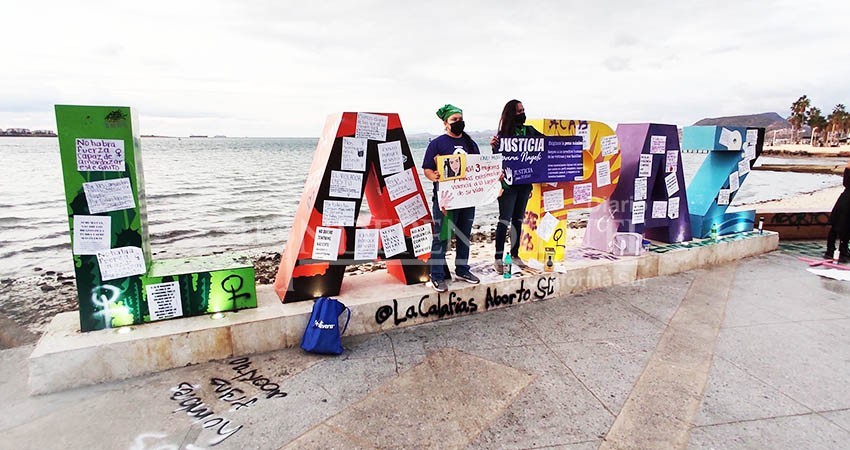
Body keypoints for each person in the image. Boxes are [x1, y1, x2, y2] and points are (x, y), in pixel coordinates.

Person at [422, 104, 481, 292]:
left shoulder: (471, 144)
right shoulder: (437, 143)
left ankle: (463, 269)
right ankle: (437, 275)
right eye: (454, 120)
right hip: (446, 200)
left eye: (460, 119)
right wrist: (434, 176)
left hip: (467, 198)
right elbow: (427, 169)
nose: (458, 122)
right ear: (445, 123)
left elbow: (478, 167)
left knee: (464, 236)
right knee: (442, 237)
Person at [489, 99, 543, 274]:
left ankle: (514, 253)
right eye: (519, 111)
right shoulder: (502, 136)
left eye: (523, 110)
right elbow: (497, 161)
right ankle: (498, 258)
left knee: (518, 220)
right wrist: (493, 148)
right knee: (504, 220)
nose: (522, 114)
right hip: (508, 186)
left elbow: (547, 146)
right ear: (511, 114)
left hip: (525, 184)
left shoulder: (530, 131)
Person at [825, 160, 850, 262]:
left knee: (838, 228)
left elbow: (845, 183)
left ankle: (834, 250)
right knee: (841, 227)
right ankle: (837, 250)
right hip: (846, 202)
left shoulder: (847, 171)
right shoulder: (848, 171)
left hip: (844, 200)